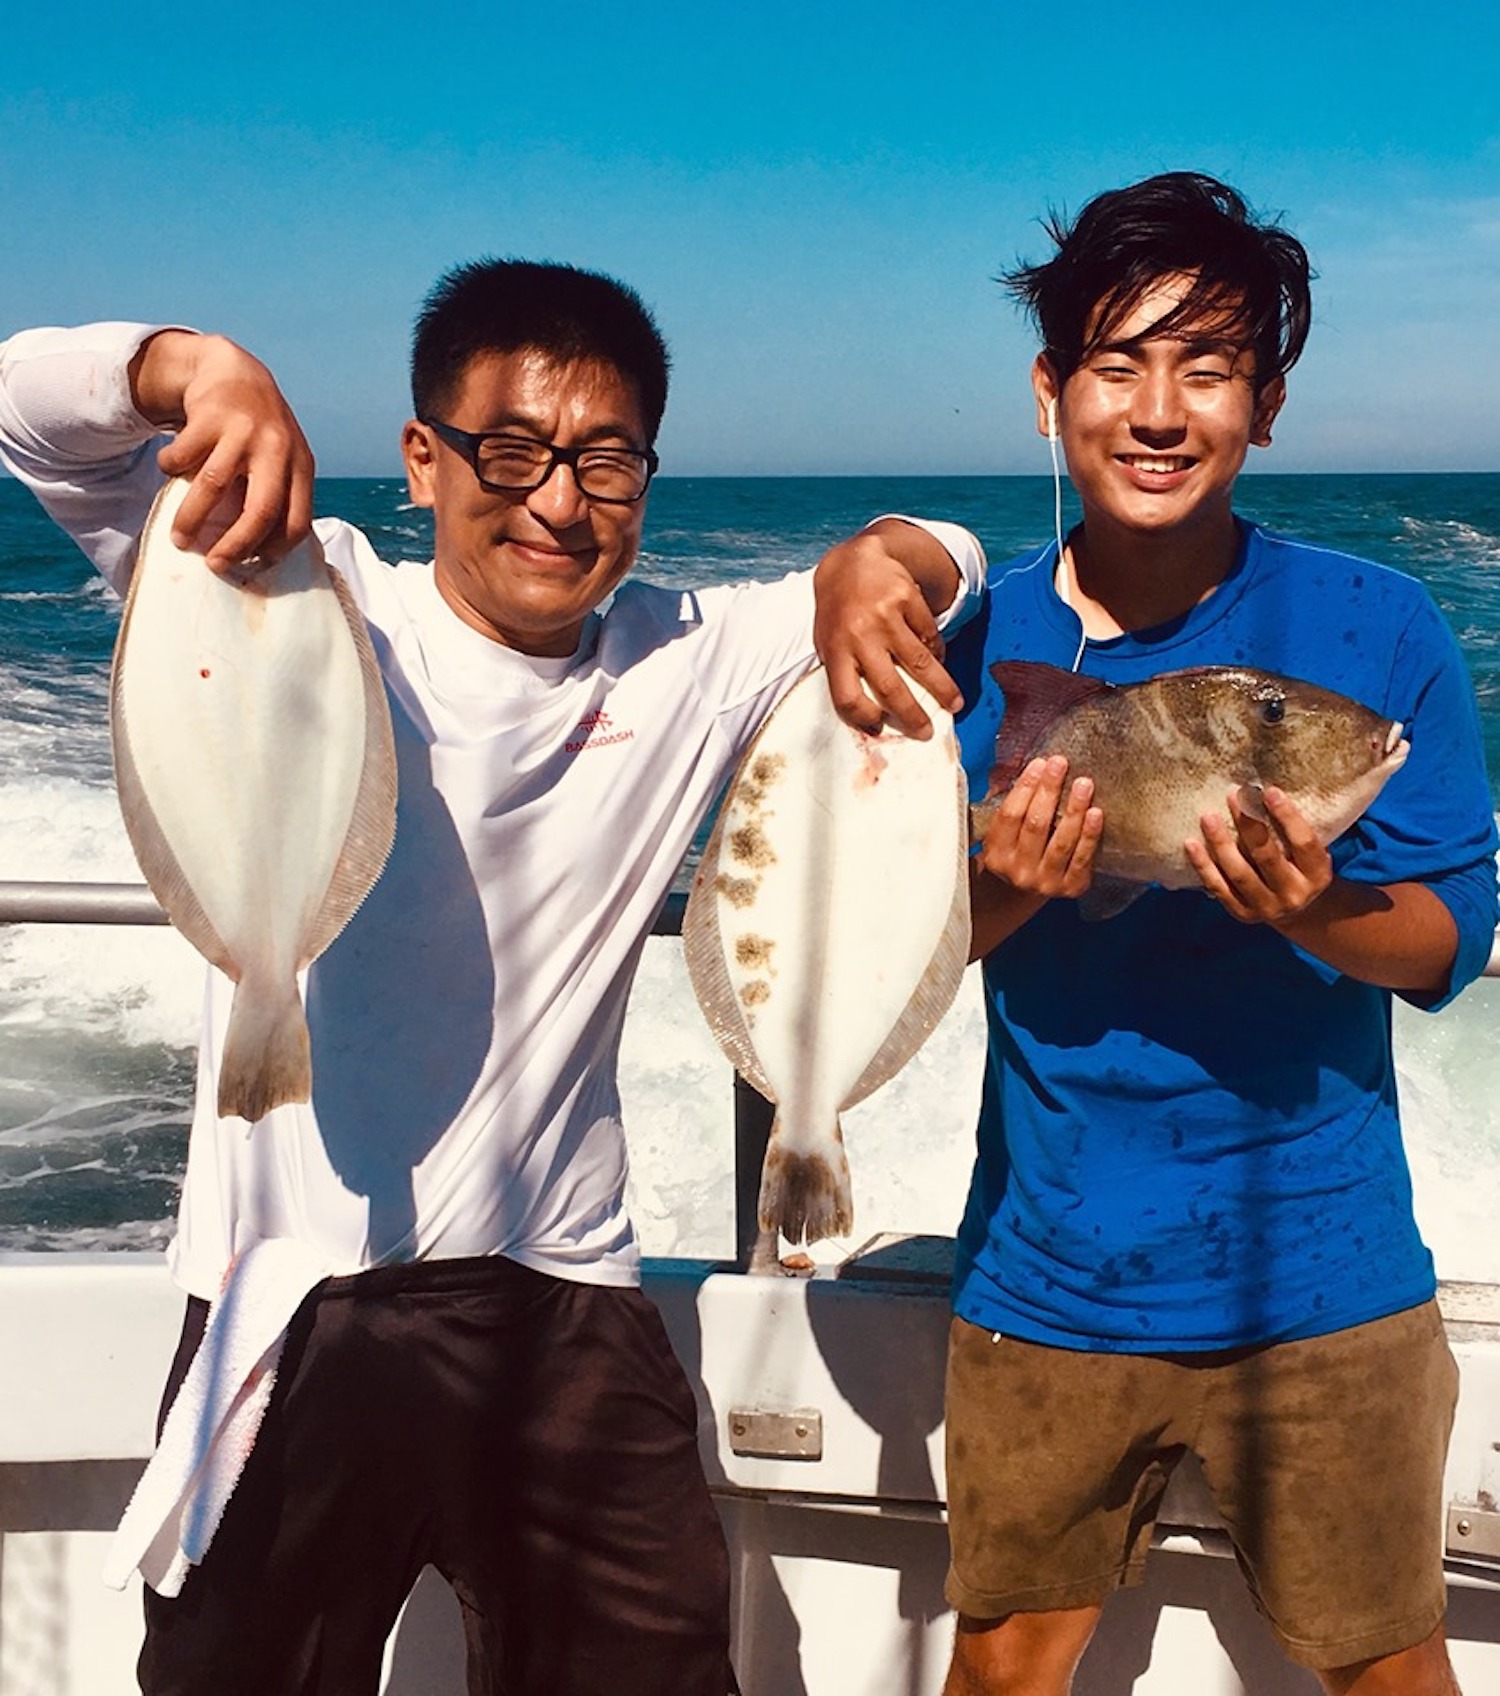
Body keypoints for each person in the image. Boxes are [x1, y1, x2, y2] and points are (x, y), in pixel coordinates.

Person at [0, 261, 984, 1696]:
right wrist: (190, 368)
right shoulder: (292, 584)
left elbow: (957, 550)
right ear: (422, 460)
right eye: (510, 452)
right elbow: (28, 414)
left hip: (564, 1297)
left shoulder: (688, 654)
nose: (559, 503)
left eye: (607, 460)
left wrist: (876, 560)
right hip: (294, 1301)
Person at [937, 172, 1497, 1696]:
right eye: (1119, 364)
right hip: (1048, 1275)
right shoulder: (976, 646)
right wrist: (1020, 881)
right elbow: (917, 944)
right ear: (1050, 394)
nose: (1160, 410)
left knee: (1394, 1671)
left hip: (1329, 1276)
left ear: (1267, 404)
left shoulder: (1381, 629)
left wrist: (1321, 910)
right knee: (1000, 1669)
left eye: (1208, 369)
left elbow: (1451, 936)